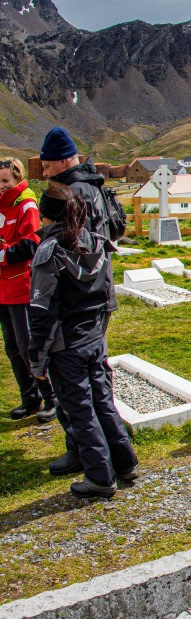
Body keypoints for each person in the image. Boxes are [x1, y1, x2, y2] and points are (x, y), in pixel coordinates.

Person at [26, 183, 138, 499]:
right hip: (94, 338)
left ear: (45, 216)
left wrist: (37, 359)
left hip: (66, 346)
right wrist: (99, 334)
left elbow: (42, 311)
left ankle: (100, 478)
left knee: (81, 411)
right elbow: (107, 297)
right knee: (102, 401)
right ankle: (126, 463)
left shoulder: (49, 252)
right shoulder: (96, 243)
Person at [0, 157, 57, 424]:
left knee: (28, 345)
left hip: (21, 285)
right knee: (12, 347)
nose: (1, 186)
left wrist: (3, 254)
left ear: (17, 178)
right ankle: (30, 398)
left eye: (5, 180)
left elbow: (33, 243)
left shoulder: (26, 204)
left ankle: (52, 397)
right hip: (3, 288)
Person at [38, 127, 110, 238]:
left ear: (63, 161)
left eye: (47, 167)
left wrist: (49, 226)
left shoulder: (74, 194)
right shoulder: (92, 183)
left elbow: (73, 241)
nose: (44, 173)